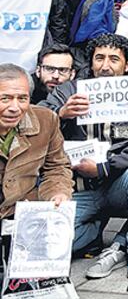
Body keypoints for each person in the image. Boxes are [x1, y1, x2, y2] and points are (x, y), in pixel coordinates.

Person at [39, 33, 128, 279]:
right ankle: (92, 235)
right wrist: (61, 114)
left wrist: (105, 167)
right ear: (91, 61)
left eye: (113, 59)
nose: (105, 66)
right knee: (47, 246)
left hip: (119, 186)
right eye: (99, 58)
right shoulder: (68, 91)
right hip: (77, 189)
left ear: (127, 64)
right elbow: (37, 120)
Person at [0, 63, 72, 220]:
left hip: (21, 211)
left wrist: (57, 192)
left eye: (22, 98)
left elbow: (57, 166)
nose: (15, 107)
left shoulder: (46, 120)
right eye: (5, 98)